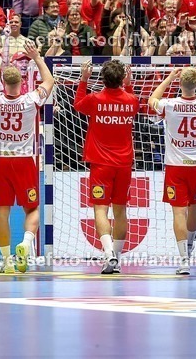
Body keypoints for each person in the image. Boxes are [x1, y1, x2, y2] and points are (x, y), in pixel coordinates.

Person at [0, 42, 54, 274]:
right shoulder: (31, 100)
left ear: (3, 82)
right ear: (21, 81)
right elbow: (49, 81)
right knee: (32, 209)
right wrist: (37, 57)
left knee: (2, 212)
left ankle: (6, 261)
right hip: (24, 160)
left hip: (0, 160)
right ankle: (26, 243)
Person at [148, 66, 196, 276]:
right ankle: (189, 247)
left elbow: (152, 100)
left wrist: (168, 79)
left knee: (178, 211)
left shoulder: (170, 105)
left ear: (180, 83)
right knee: (195, 207)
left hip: (176, 166)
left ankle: (183, 260)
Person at [74, 59, 139, 275]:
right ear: (122, 78)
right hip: (124, 164)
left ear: (102, 79)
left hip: (101, 164)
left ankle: (109, 253)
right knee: (120, 211)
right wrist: (129, 85)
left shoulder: (95, 99)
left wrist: (84, 79)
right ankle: (116, 259)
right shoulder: (131, 100)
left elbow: (78, 104)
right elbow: (133, 104)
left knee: (100, 209)